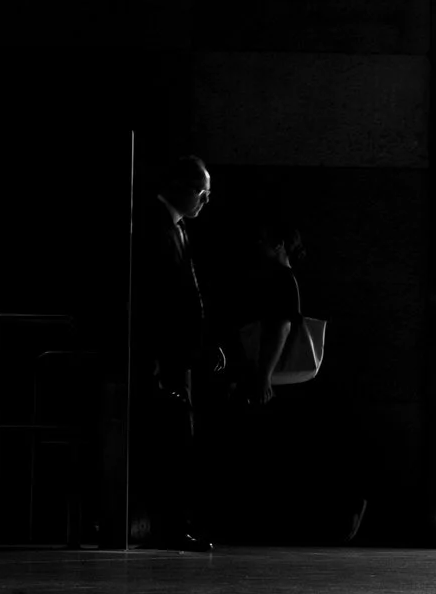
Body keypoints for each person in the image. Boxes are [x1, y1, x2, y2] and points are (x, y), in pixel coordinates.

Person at [131, 154, 224, 552]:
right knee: (169, 442)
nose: (205, 202)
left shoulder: (171, 225)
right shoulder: (157, 227)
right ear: (184, 190)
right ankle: (167, 526)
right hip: (163, 353)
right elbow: (162, 298)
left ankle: (167, 525)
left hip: (172, 352)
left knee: (172, 440)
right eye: (203, 194)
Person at [239, 223, 310, 407]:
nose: (259, 243)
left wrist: (265, 376)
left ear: (279, 244)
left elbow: (281, 328)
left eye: (264, 239)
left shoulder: (281, 279)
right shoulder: (282, 277)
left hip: (262, 370)